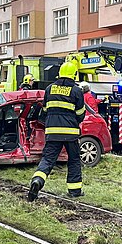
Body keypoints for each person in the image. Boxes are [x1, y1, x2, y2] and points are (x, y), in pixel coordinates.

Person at [28, 61, 85, 201]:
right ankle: (74, 190)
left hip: (52, 132)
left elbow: (45, 111)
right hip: (70, 133)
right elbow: (80, 113)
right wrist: (74, 122)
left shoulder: (49, 89)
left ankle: (37, 181)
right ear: (74, 74)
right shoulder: (77, 91)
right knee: (74, 160)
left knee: (48, 159)